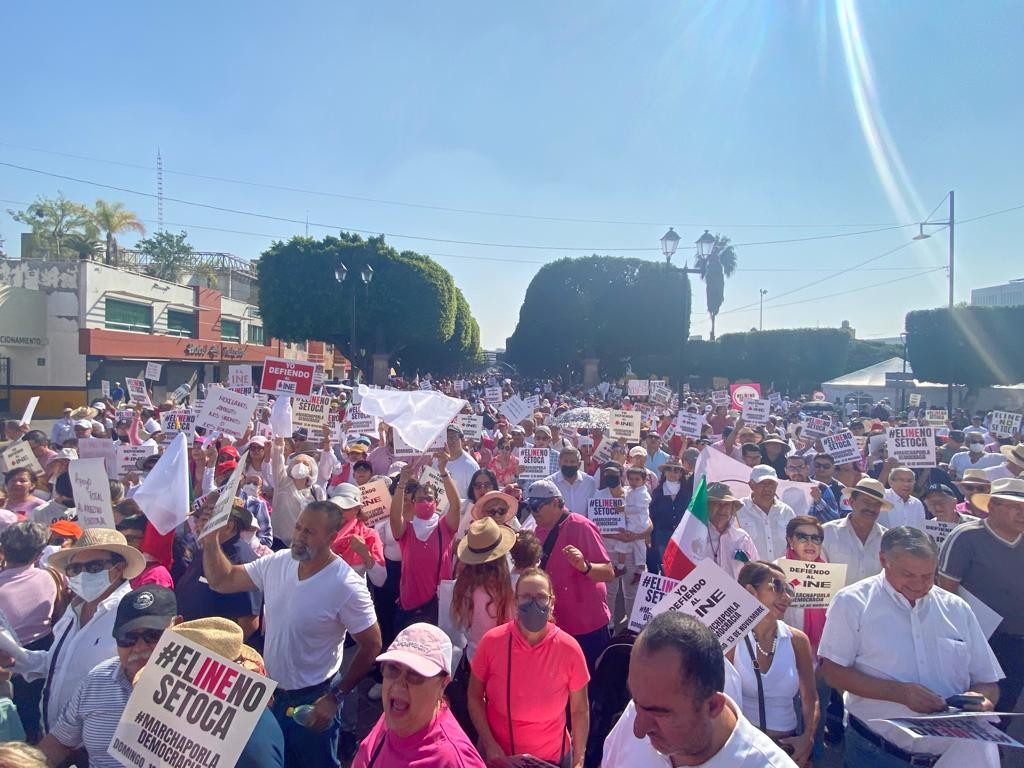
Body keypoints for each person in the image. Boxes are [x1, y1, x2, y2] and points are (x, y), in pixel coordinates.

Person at [202, 499, 383, 768]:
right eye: (298, 528)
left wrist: (336, 697)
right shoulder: (278, 561)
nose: (299, 537)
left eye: (309, 532)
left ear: (331, 538)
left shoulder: (347, 586)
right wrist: (210, 538)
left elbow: (372, 645)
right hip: (272, 696)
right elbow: (222, 580)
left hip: (315, 701)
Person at [819, 526, 1003, 766]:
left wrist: (981, 699)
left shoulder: (957, 609)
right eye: (908, 575)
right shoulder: (852, 603)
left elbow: (988, 681)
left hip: (952, 756)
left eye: (928, 576)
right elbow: (832, 672)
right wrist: (900, 693)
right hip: (876, 753)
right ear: (884, 560)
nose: (919, 585)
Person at [602, 611, 798, 766]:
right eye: (635, 701)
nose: (638, 729)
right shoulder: (640, 709)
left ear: (713, 706)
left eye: (660, 714)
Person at [6, 528, 145, 733]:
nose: (83, 574)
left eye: (94, 566)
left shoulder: (131, 615)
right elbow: (57, 664)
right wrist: (16, 659)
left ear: (118, 568)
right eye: (75, 569)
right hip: (54, 733)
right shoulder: (74, 609)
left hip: (94, 744)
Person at [37, 586, 181, 768]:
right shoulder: (98, 679)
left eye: (153, 635)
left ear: (177, 627)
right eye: (128, 638)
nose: (139, 648)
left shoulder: (205, 690)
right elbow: (59, 742)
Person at [469, 567, 590, 767]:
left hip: (553, 759)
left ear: (552, 603)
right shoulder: (491, 642)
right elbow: (474, 696)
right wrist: (490, 745)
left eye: (541, 597)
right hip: (501, 758)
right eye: (526, 597)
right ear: (515, 602)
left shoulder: (570, 649)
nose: (534, 604)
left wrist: (579, 759)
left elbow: (580, 710)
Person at [938, 476, 1024, 724]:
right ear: (993, 505)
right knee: (970, 704)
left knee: (1004, 705)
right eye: (1015, 507)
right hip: (977, 639)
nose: (1021, 514)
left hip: (1017, 642)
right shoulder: (966, 537)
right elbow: (946, 592)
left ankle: (993, 753)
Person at [352, 623, 485, 767]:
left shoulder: (453, 761)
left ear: (443, 684)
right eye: (392, 668)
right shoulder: (394, 717)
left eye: (415, 675)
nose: (399, 683)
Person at [732, 562, 817, 766]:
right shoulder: (731, 640)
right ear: (750, 592)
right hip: (744, 752)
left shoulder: (797, 640)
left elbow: (810, 698)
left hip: (787, 750)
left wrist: (807, 738)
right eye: (777, 586)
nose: (786, 596)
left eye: (789, 589)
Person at [527, 480, 614, 671]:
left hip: (587, 626)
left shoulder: (581, 526)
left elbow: (608, 572)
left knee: (590, 684)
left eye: (537, 505)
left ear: (556, 503)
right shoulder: (537, 531)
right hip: (556, 624)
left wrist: (585, 566)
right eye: (529, 505)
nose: (533, 511)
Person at [0, 522, 61, 743]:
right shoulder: (53, 577)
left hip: (8, 664)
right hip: (44, 656)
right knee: (35, 719)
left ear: (3, 550)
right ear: (39, 552)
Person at [175, 496, 263, 638]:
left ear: (229, 526)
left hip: (213, 653)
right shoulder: (206, 551)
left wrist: (220, 654)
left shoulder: (242, 561)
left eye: (206, 521)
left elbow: (248, 623)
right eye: (198, 520)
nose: (198, 526)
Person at [390, 457, 461, 628]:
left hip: (437, 605)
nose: (425, 502)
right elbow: (394, 516)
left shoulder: (445, 527)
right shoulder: (406, 530)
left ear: (436, 503)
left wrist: (443, 471)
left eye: (429, 498)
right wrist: (402, 484)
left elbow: (456, 506)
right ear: (413, 504)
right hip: (409, 604)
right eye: (420, 499)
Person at [822, 477, 889, 584]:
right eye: (866, 501)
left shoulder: (887, 539)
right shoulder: (827, 532)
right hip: (836, 600)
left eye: (876, 504)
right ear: (851, 502)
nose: (871, 508)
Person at [693, 482, 758, 579]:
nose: (722, 509)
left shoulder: (743, 538)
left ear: (732, 509)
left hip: (736, 594)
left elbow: (756, 572)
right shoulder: (694, 536)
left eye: (727, 504)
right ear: (706, 507)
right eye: (716, 504)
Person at [736, 465, 795, 563]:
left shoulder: (787, 512)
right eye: (762, 483)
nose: (767, 488)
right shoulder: (737, 509)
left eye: (771, 483)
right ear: (751, 485)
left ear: (776, 485)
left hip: (781, 573)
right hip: (749, 574)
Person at [647, 457, 692, 573]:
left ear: (681, 473)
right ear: (665, 472)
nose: (673, 473)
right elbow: (652, 516)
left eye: (676, 470)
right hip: (662, 537)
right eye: (669, 469)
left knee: (678, 570)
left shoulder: (687, 493)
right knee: (664, 568)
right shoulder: (657, 492)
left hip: (682, 538)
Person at [547, 446, 597, 516]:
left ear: (579, 464)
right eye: (565, 461)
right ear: (559, 463)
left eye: (572, 462)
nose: (568, 464)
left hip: (582, 525)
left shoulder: (589, 482)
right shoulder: (549, 483)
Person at [880, 466, 926, 530]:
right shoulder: (883, 497)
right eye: (901, 480)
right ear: (891, 482)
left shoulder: (917, 504)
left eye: (909, 481)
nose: (906, 484)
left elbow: (921, 530)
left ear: (914, 482)